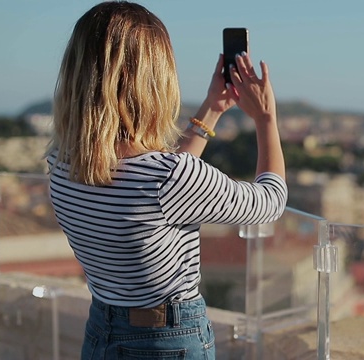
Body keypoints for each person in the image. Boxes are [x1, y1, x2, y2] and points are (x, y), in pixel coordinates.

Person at [45, 1, 287, 359]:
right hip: (166, 340)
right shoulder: (166, 178)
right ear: (154, 79)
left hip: (102, 330)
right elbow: (271, 201)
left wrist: (212, 108)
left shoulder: (60, 162)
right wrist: (266, 120)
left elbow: (158, 187)